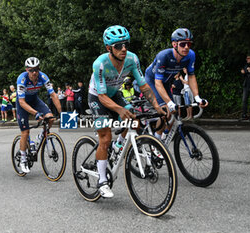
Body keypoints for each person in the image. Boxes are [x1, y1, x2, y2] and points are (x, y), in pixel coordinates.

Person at [88, 25, 164, 198]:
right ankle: (102, 181)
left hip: (115, 95)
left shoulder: (132, 59)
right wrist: (120, 110)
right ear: (109, 48)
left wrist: (158, 106)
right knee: (105, 138)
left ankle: (119, 145)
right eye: (118, 46)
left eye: (126, 44)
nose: (123, 49)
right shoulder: (100, 64)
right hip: (98, 98)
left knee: (135, 121)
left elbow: (144, 86)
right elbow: (102, 96)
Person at [145, 28, 208, 140]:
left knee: (174, 113)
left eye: (189, 44)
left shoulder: (190, 55)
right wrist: (169, 103)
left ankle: (164, 138)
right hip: (152, 81)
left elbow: (191, 76)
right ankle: (156, 142)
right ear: (174, 44)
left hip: (166, 82)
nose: (186, 47)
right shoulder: (164, 56)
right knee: (165, 111)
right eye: (183, 44)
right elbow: (158, 82)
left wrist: (197, 97)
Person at [16, 57, 61, 173]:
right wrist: (35, 113)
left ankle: (40, 137)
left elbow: (53, 95)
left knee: (50, 118)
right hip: (22, 103)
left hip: (35, 100)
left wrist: (62, 112)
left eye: (36, 69)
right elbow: (21, 102)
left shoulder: (43, 77)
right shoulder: (22, 79)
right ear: (27, 70)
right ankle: (23, 159)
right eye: (31, 70)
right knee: (25, 132)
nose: (34, 72)